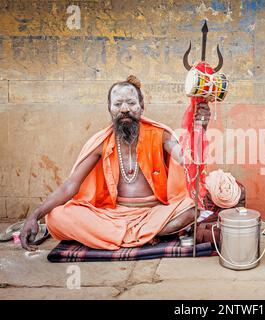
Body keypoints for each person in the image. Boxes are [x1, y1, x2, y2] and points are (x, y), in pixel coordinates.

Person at [20, 75, 211, 251]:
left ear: (142, 106)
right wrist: (35, 215)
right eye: (118, 104)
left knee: (190, 209)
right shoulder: (102, 142)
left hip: (155, 213)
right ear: (109, 108)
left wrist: (200, 128)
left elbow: (187, 159)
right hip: (113, 216)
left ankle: (125, 236)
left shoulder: (160, 135)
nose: (125, 109)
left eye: (131, 103)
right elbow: (71, 185)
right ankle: (142, 236)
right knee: (56, 217)